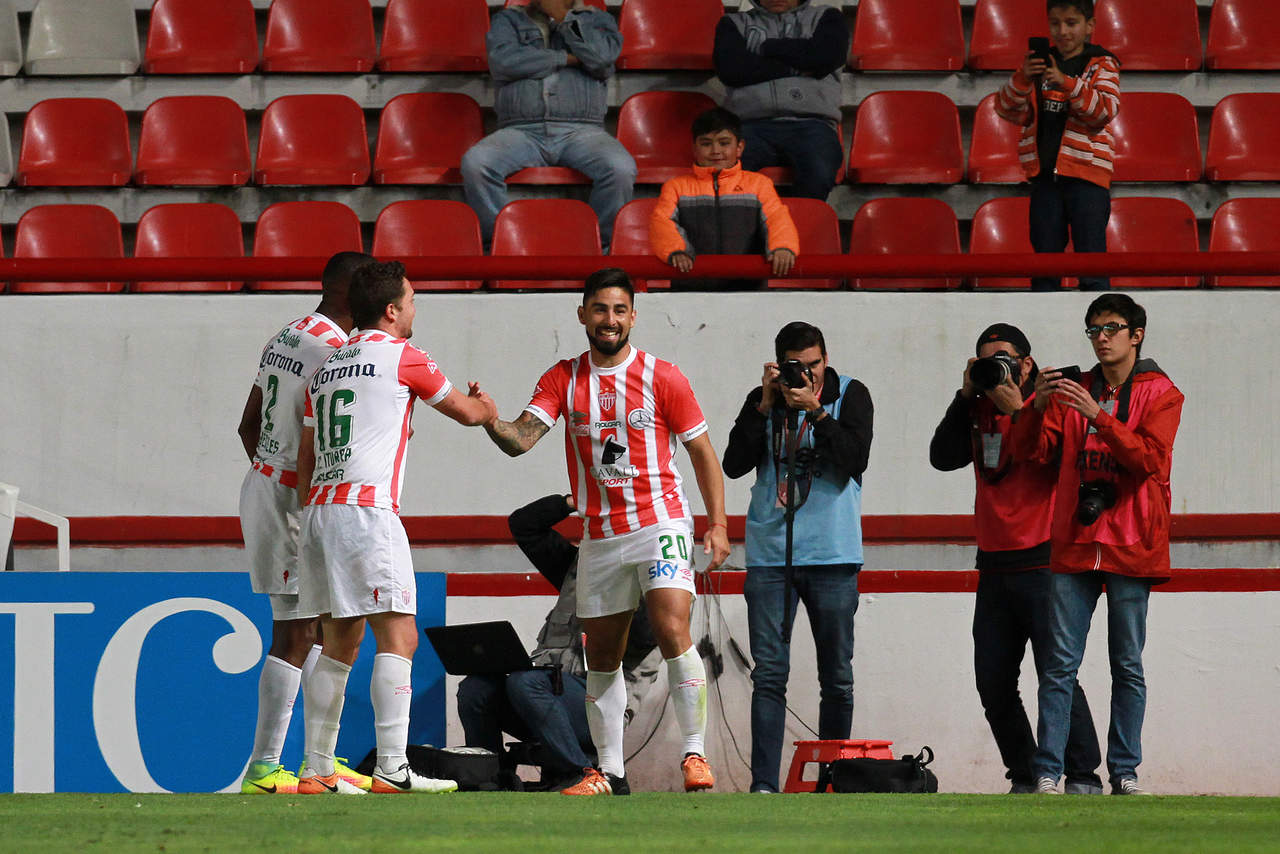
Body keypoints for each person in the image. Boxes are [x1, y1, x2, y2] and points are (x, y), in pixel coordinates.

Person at [477, 267, 731, 795]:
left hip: (660, 520)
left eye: (619, 310)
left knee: (670, 625)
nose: (609, 320)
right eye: (599, 309)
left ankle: (694, 755)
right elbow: (522, 439)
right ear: (582, 315)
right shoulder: (562, 379)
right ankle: (610, 772)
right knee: (601, 657)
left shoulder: (664, 376)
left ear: (633, 316)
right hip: (601, 536)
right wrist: (488, 419)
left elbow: (703, 452)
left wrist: (719, 524)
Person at [294, 261, 498, 795]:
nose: (413, 309)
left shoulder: (328, 367)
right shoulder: (405, 357)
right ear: (391, 310)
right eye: (410, 300)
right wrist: (487, 405)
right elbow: (467, 413)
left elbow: (306, 454)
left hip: (318, 508)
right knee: (399, 634)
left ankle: (316, 770)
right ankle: (391, 768)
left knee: (339, 640)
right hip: (366, 510)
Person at [1012, 294, 1183, 795]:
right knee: (1059, 663)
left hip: (1132, 540)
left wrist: (1100, 418)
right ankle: (1048, 771)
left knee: (1127, 664)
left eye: (1112, 327)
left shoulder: (1162, 391)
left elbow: (1151, 461)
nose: (1101, 337)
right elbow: (1032, 453)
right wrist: (1036, 405)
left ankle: (1125, 772)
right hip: (1076, 539)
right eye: (1093, 329)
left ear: (1137, 335)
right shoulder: (1074, 389)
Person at [929, 323, 1104, 795]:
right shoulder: (977, 408)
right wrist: (966, 395)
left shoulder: (1052, 402)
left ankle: (1084, 775)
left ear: (1026, 364)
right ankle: (1026, 774)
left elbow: (1055, 460)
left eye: (1004, 358)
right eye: (986, 359)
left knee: (1057, 674)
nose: (997, 368)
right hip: (994, 563)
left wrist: (1021, 409)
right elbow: (941, 457)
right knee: (993, 681)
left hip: (1044, 560)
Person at [235, 250, 374, 796]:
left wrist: (275, 475)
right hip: (294, 494)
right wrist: (298, 494)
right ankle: (265, 767)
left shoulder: (289, 335)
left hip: (275, 485)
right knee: (295, 631)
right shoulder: (336, 352)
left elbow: (247, 425)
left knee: (315, 625)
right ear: (352, 293)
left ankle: (319, 761)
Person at [721, 321, 872, 794]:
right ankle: (764, 785)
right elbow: (733, 463)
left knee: (838, 676)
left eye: (813, 366)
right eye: (796, 367)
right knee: (768, 674)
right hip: (770, 556)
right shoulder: (764, 398)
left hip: (832, 553)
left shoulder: (851, 394)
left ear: (826, 360)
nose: (805, 375)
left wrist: (819, 414)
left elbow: (856, 460)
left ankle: (832, 781)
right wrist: (764, 406)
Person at [456, 493, 660, 791]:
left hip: (599, 706)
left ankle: (579, 773)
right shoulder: (575, 567)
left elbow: (643, 639)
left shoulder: (653, 577)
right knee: (476, 688)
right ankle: (490, 777)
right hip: (542, 696)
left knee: (526, 683)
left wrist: (617, 586)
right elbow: (523, 525)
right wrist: (574, 500)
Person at [461, 0, 636, 249]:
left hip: (582, 131)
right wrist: (567, 58)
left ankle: (602, 248)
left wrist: (564, 19)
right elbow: (503, 63)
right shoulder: (509, 19)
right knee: (476, 164)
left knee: (620, 168)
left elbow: (600, 59)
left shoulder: (598, 20)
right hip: (521, 131)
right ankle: (499, 245)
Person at [995, 0, 1120, 291]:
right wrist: (1022, 78)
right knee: (1045, 261)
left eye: (1071, 23)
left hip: (1087, 176)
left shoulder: (1103, 63)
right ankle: (1043, 323)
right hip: (1044, 178)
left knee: (1091, 260)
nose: (1062, 31)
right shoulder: (1038, 65)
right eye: (1055, 23)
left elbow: (1103, 110)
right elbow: (1007, 110)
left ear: (1089, 26)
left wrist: (1066, 82)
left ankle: (1100, 324)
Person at [713, 0, 850, 201]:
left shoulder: (827, 17)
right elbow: (732, 69)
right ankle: (747, 229)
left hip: (812, 124)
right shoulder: (733, 23)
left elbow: (825, 57)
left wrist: (768, 48)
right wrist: (797, 65)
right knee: (726, 174)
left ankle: (799, 228)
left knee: (819, 170)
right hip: (749, 126)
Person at [650, 107, 799, 291]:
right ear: (694, 149)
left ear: (739, 148)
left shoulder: (759, 184)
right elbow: (662, 222)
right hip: (689, 289)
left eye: (724, 143)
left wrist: (782, 247)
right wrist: (676, 251)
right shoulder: (675, 186)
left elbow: (777, 219)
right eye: (706, 144)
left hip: (749, 290)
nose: (715, 151)